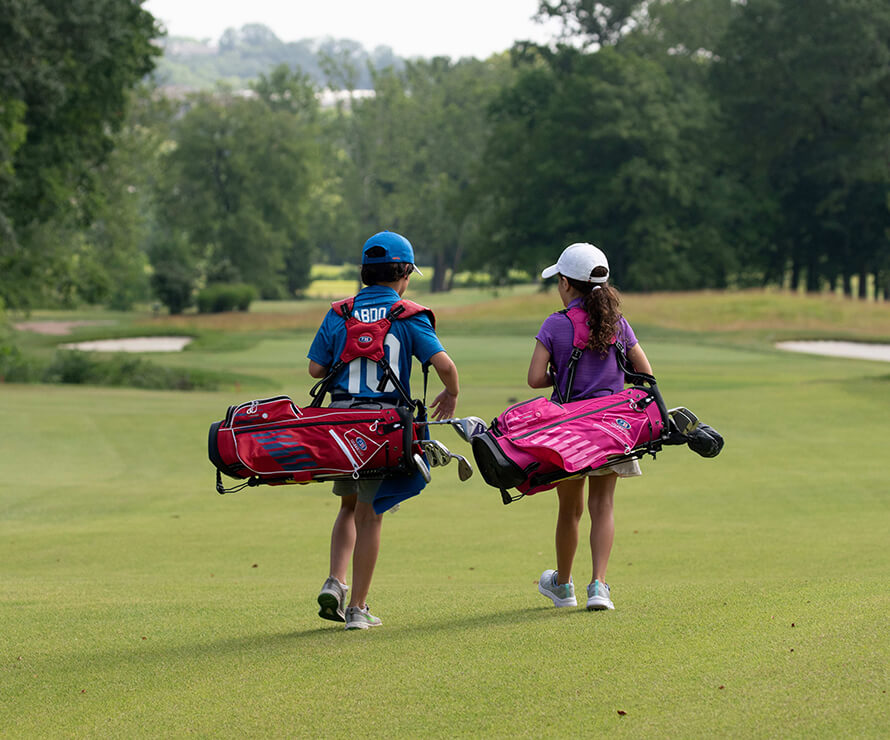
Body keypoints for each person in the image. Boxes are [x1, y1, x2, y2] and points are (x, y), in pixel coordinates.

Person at [307, 230, 460, 630]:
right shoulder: (408, 315)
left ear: (364, 273)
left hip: (340, 427)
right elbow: (444, 364)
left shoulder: (340, 312)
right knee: (371, 514)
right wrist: (453, 392)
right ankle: (357, 608)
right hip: (383, 429)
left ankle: (334, 581)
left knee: (347, 506)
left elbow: (315, 370)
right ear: (404, 274)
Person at [527, 242, 653, 612]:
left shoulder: (556, 323)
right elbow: (644, 372)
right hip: (612, 428)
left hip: (568, 431)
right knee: (604, 505)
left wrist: (564, 373)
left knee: (570, 510)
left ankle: (564, 586)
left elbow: (535, 379)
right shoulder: (617, 324)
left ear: (566, 283)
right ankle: (599, 585)